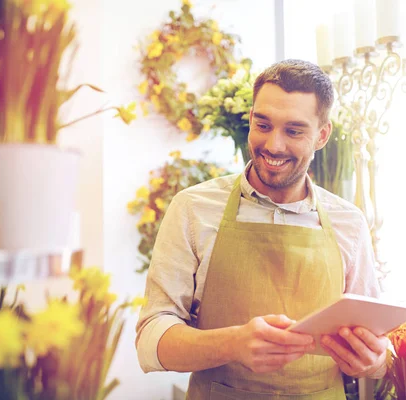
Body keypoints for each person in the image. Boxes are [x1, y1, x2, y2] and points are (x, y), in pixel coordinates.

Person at [136, 59, 387, 399]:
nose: (273, 145)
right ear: (250, 117)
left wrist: (375, 360)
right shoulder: (193, 209)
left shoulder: (349, 222)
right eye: (263, 125)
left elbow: (378, 343)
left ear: (322, 135)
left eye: (294, 131)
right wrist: (232, 343)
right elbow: (151, 338)